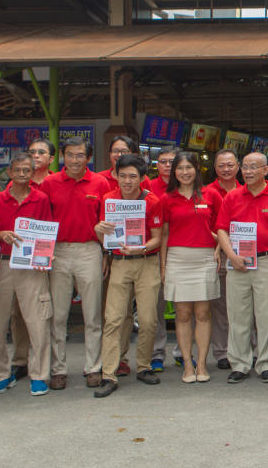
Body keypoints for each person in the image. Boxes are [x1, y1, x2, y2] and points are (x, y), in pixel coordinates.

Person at [42, 136, 111, 390]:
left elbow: (106, 220)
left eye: (80, 155)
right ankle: (58, 368)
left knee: (92, 314)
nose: (74, 160)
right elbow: (43, 219)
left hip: (89, 250)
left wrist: (105, 253)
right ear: (62, 156)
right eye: (70, 155)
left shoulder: (100, 183)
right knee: (57, 315)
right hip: (58, 251)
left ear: (89, 158)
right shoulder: (50, 183)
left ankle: (93, 366)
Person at [94, 154, 166, 397]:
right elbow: (105, 237)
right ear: (115, 175)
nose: (127, 181)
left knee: (147, 320)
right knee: (113, 319)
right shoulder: (108, 200)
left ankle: (144, 366)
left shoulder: (152, 201)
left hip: (146, 262)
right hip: (120, 262)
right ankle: (109, 373)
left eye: (132, 176)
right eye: (122, 175)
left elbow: (158, 237)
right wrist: (99, 230)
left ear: (142, 178)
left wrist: (141, 247)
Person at [216, 151, 268, 383]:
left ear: (266, 170)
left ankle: (266, 362)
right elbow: (221, 230)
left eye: (253, 167)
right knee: (238, 315)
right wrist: (231, 256)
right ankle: (239, 363)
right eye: (245, 167)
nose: (247, 172)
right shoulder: (232, 197)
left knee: (266, 315)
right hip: (238, 262)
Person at [0, 153, 55, 397]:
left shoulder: (41, 198)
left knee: (37, 322)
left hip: (32, 268)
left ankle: (39, 374)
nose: (23, 174)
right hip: (2, 265)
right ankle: (2, 374)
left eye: (27, 170)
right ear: (10, 172)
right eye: (18, 170)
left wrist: (46, 256)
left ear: (33, 172)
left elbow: (47, 232)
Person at [163, 151, 220, 383]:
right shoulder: (167, 199)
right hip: (177, 259)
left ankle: (203, 363)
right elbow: (164, 234)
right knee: (183, 315)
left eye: (189, 168)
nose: (185, 172)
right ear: (174, 172)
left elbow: (221, 228)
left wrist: (218, 251)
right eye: (180, 168)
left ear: (197, 170)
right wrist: (163, 266)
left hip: (205, 258)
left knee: (203, 314)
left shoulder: (212, 195)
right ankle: (187, 363)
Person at [203, 148, 242, 371]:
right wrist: (221, 243)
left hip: (246, 255)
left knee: (244, 306)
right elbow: (205, 225)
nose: (226, 169)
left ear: (238, 166)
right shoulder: (206, 192)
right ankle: (222, 352)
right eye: (221, 165)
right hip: (218, 256)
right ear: (214, 168)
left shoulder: (248, 190)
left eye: (230, 165)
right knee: (220, 307)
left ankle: (247, 349)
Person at [144, 147, 177, 373]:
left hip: (181, 252)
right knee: (156, 307)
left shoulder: (188, 186)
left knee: (185, 307)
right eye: (163, 161)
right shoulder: (148, 188)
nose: (167, 165)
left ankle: (183, 353)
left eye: (172, 162)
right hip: (154, 252)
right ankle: (157, 353)